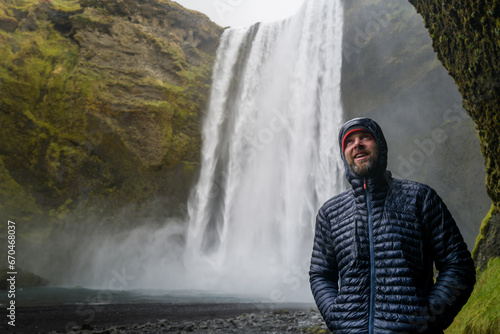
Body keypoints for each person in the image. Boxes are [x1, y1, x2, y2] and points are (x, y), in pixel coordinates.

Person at [309, 117, 476, 334]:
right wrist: (335, 316)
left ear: (380, 144)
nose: (357, 144)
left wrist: (427, 319)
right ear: (344, 154)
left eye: (365, 137)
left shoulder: (420, 198)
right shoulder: (330, 213)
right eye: (349, 141)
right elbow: (320, 273)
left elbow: (458, 266)